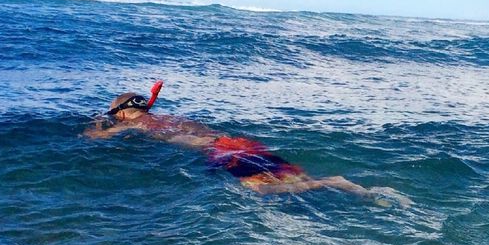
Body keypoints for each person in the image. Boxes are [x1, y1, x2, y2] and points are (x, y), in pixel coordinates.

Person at [84, 81, 410, 205]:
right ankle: (368, 194)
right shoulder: (168, 118)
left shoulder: (138, 124)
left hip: (221, 150)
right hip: (238, 142)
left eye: (115, 111)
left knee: (261, 189)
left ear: (125, 112)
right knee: (292, 180)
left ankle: (334, 183)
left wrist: (99, 123)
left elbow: (94, 138)